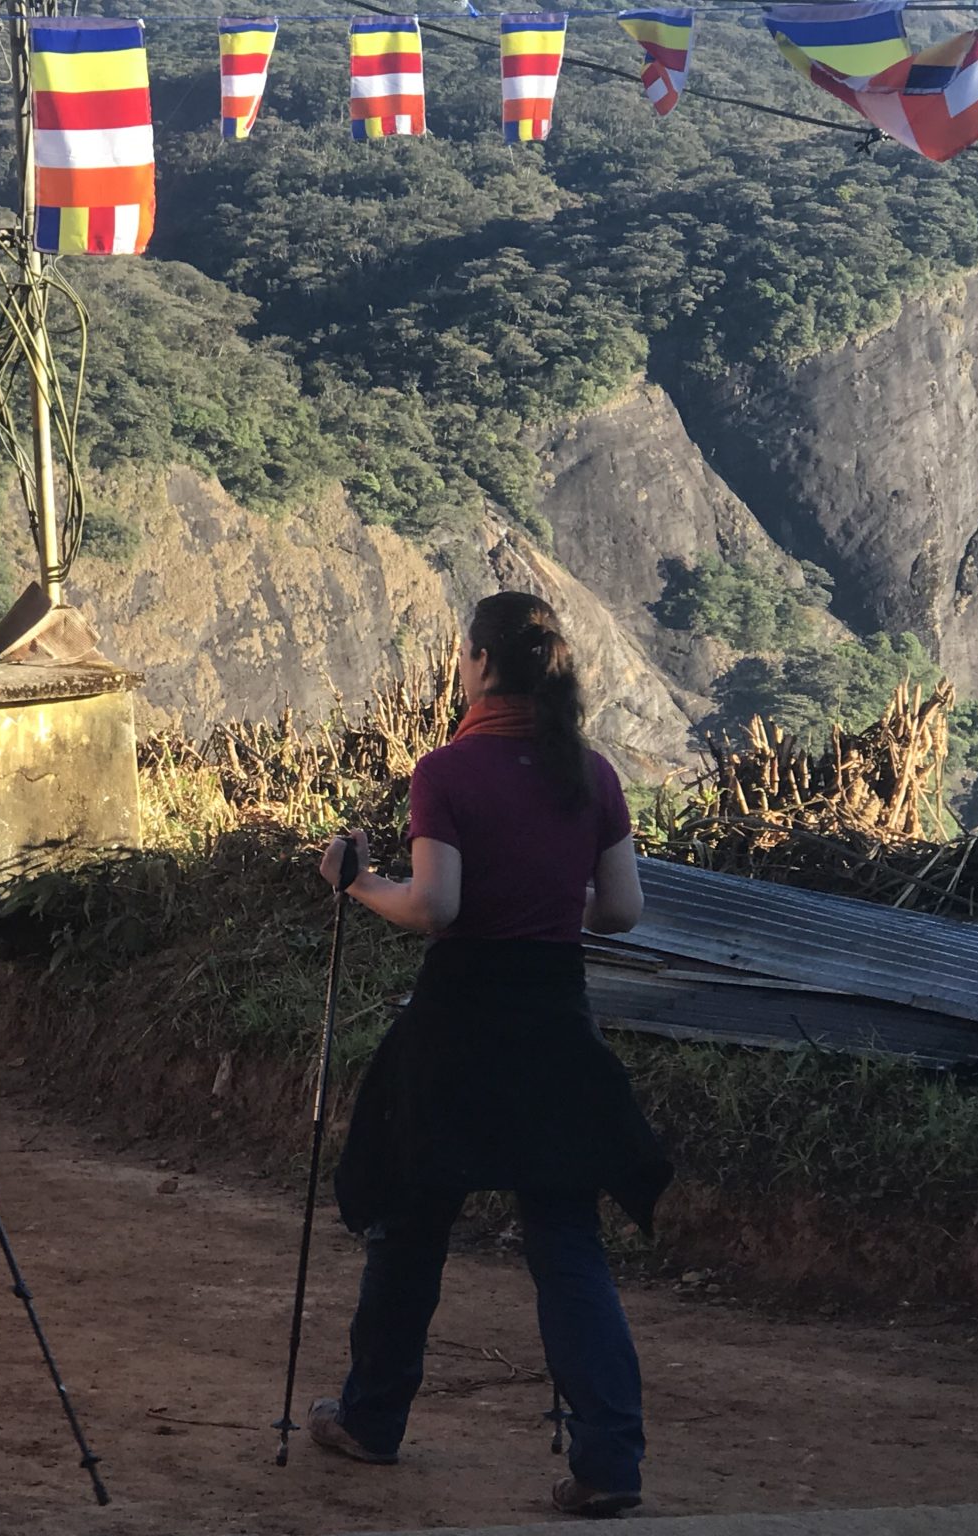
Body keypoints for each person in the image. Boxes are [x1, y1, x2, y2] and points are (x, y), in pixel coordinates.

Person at [306, 591, 672, 1520]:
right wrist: (551, 905)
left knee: (413, 1223)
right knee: (565, 1240)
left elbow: (436, 908)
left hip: (460, 1020)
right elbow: (622, 911)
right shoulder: (590, 774)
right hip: (554, 1018)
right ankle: (610, 1463)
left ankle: (371, 1420)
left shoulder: (448, 773)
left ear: (476, 663)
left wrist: (358, 883)